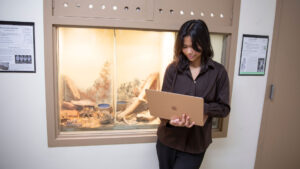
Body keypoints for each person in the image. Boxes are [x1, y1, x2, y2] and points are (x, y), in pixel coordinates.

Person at [156, 19, 230, 169]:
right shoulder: (173, 69)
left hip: (196, 145)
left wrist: (202, 108)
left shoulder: (218, 72)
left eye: (194, 47)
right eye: (185, 47)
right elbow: (163, 107)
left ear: (204, 43)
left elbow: (224, 108)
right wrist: (171, 121)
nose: (189, 52)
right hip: (167, 141)